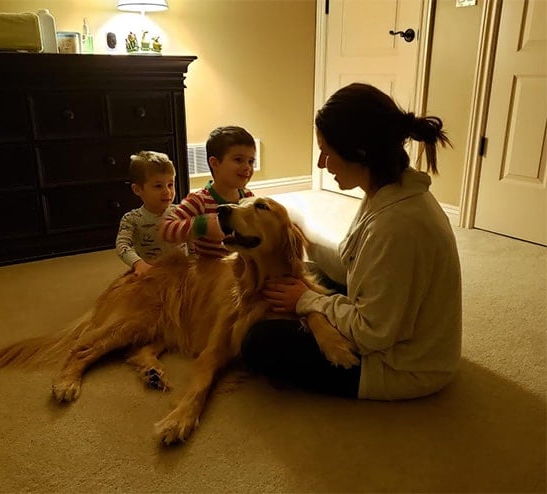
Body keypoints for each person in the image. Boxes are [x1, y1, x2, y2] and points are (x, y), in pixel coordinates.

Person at [241, 83, 462, 401]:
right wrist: (305, 242)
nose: (321, 163)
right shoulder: (388, 190)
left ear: (359, 152)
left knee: (258, 341)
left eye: (326, 152)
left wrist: (307, 300)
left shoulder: (397, 226)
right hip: (396, 325)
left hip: (405, 366)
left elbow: (372, 334)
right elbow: (352, 265)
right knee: (309, 271)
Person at [160, 126, 256, 258]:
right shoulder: (199, 200)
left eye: (251, 161)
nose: (247, 167)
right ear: (215, 163)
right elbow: (166, 229)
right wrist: (201, 226)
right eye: (238, 160)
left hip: (242, 265)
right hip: (210, 268)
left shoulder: (248, 197)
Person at [116, 151, 185, 276]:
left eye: (170, 184)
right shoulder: (131, 219)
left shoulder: (182, 212)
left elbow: (193, 240)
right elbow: (122, 245)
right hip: (151, 274)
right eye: (158, 186)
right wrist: (138, 263)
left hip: (182, 272)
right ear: (137, 189)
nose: (167, 191)